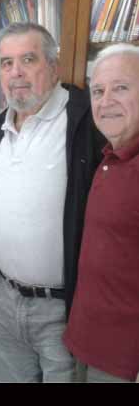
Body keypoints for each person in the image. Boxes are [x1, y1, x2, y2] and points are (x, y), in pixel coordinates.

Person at [0, 22, 106, 383]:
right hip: (2, 298)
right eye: (6, 63)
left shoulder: (87, 121)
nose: (15, 72)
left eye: (27, 59)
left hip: (63, 308)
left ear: (53, 67)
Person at [63, 44, 139, 383]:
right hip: (87, 344)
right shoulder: (109, 158)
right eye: (98, 90)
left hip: (123, 361)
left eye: (121, 88)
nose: (106, 101)